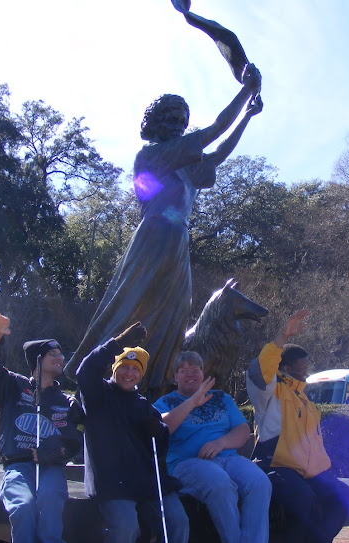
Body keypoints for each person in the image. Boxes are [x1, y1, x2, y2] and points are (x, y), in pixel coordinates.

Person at [65, 64, 263, 397]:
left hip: (178, 243)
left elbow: (217, 155)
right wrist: (244, 90)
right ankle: (97, 374)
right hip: (155, 238)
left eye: (182, 120)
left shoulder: (186, 168)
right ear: (155, 124)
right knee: (133, 307)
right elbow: (213, 129)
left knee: (173, 315)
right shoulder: (153, 156)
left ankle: (154, 384)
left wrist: (248, 115)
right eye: (170, 118)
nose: (178, 125)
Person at [0, 311, 84, 543]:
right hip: (17, 467)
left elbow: (74, 441)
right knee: (23, 508)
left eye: (60, 353)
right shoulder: (12, 386)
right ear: (36, 360)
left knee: (50, 503)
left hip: (51, 468)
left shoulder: (68, 402)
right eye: (51, 354)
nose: (59, 357)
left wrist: (56, 453)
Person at [74, 322, 189, 543]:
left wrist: (159, 431)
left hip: (146, 480)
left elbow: (161, 448)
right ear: (115, 369)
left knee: (178, 521)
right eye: (124, 367)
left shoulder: (144, 405)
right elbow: (85, 370)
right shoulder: (98, 393)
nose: (129, 373)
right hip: (112, 482)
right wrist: (118, 343)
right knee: (126, 528)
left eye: (136, 369)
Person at [246, 309, 349, 543]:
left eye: (306, 367)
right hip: (275, 466)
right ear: (286, 368)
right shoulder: (269, 391)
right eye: (301, 368)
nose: (306, 371)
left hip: (307, 471)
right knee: (304, 501)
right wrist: (283, 336)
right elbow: (261, 367)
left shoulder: (304, 397)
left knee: (341, 496)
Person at [153, 351, 271, 543]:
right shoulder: (165, 402)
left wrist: (221, 442)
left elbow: (242, 430)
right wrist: (193, 402)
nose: (190, 373)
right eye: (183, 370)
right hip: (187, 463)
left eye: (195, 369)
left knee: (259, 482)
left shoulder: (221, 398)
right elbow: (162, 427)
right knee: (220, 484)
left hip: (229, 459)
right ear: (175, 377)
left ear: (202, 372)